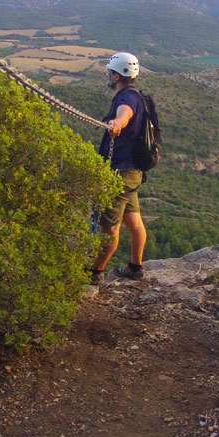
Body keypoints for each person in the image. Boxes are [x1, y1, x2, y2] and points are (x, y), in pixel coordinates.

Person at [90, 52, 147, 285]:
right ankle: (135, 266)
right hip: (132, 172)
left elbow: (124, 116)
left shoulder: (126, 100)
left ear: (117, 75)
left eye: (110, 72)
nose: (108, 75)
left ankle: (95, 273)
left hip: (119, 175)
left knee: (110, 228)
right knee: (134, 220)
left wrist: (117, 123)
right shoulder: (136, 96)